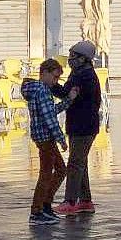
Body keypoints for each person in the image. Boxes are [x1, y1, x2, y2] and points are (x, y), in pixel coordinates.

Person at [22, 59, 78, 226]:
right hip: (46, 137)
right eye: (54, 77)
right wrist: (61, 139)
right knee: (47, 174)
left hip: (42, 136)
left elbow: (50, 111)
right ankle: (37, 210)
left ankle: (45, 205)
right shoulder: (42, 91)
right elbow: (50, 118)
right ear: (44, 73)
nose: (56, 82)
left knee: (60, 169)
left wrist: (68, 100)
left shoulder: (36, 90)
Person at [53, 41, 102, 216]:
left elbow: (65, 94)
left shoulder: (83, 75)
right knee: (81, 163)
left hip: (83, 126)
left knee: (74, 164)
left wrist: (51, 83)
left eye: (73, 56)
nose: (70, 59)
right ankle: (85, 201)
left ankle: (70, 201)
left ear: (83, 58)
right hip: (82, 124)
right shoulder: (82, 73)